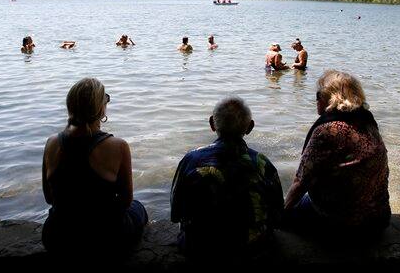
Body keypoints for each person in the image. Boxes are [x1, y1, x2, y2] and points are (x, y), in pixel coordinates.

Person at [42, 78, 148, 256]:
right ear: (100, 108)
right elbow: (126, 201)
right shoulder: (118, 146)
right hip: (106, 238)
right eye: (105, 99)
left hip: (57, 236)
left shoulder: (52, 143)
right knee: (139, 208)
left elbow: (49, 198)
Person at [171, 96, 284, 259]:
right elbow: (277, 213)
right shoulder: (261, 163)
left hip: (200, 248)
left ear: (212, 124)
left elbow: (175, 214)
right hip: (252, 248)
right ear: (250, 127)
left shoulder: (191, 160)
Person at [284, 70, 391, 234]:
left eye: (319, 94)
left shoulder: (327, 131)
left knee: (292, 206)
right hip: (379, 220)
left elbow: (301, 182)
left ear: (330, 97)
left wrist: (281, 215)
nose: (316, 99)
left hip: (344, 228)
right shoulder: (367, 121)